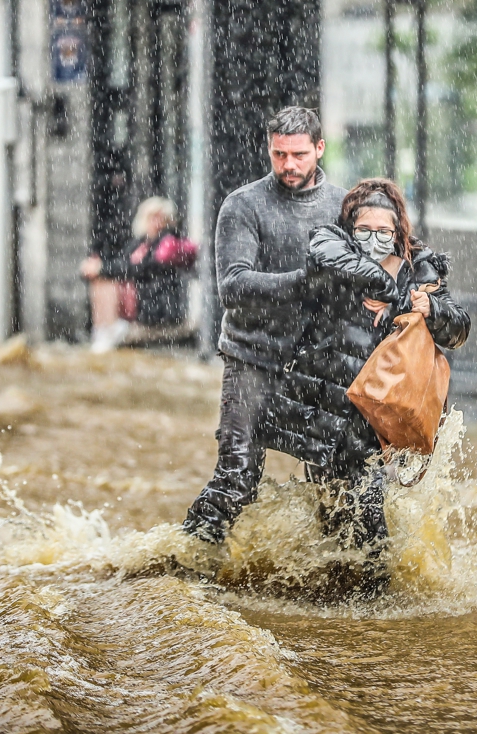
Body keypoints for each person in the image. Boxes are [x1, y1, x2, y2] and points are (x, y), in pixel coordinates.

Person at [271, 178, 471, 559]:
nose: (375, 238)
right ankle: (341, 602)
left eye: (384, 231)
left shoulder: (419, 265)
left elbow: (458, 329)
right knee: (330, 517)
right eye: (365, 230)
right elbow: (325, 253)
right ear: (351, 227)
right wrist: (382, 284)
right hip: (329, 409)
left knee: (370, 517)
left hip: (382, 416)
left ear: (398, 231)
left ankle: (377, 610)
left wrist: (429, 308)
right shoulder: (332, 247)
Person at [182, 106, 347, 545]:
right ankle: (183, 571)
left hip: (321, 363)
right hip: (252, 358)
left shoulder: (345, 208)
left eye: (298, 155)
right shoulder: (244, 205)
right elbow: (232, 287)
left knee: (338, 486)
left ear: (319, 149)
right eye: (279, 155)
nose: (289, 165)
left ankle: (341, 584)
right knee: (236, 480)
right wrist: (305, 282)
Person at [79, 196, 192, 353]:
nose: (156, 222)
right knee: (101, 280)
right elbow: (123, 263)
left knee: (107, 278)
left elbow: (139, 268)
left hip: (153, 303)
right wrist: (98, 267)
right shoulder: (140, 242)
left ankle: (110, 329)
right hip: (139, 297)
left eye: (160, 218)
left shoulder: (167, 243)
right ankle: (103, 330)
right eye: (152, 217)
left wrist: (102, 268)